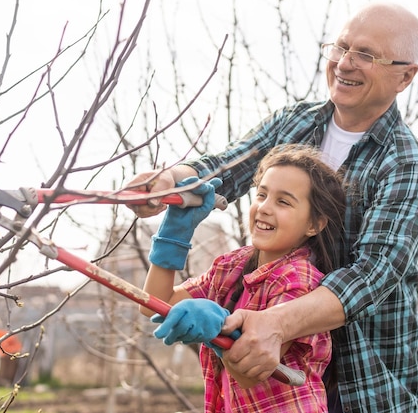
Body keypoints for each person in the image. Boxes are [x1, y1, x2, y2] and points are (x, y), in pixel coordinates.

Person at [128, 2, 418, 413]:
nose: (345, 63)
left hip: (364, 384)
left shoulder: (407, 163)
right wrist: (169, 182)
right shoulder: (293, 123)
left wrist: (273, 324)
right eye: (341, 47)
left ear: (405, 75)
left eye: (365, 54)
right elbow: (226, 166)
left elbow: (374, 273)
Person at [140, 144, 346, 412]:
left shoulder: (301, 280)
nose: (264, 208)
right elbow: (153, 303)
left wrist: (218, 325)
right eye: (261, 195)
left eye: (283, 201)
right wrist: (174, 234)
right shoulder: (232, 266)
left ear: (314, 224)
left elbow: (249, 373)